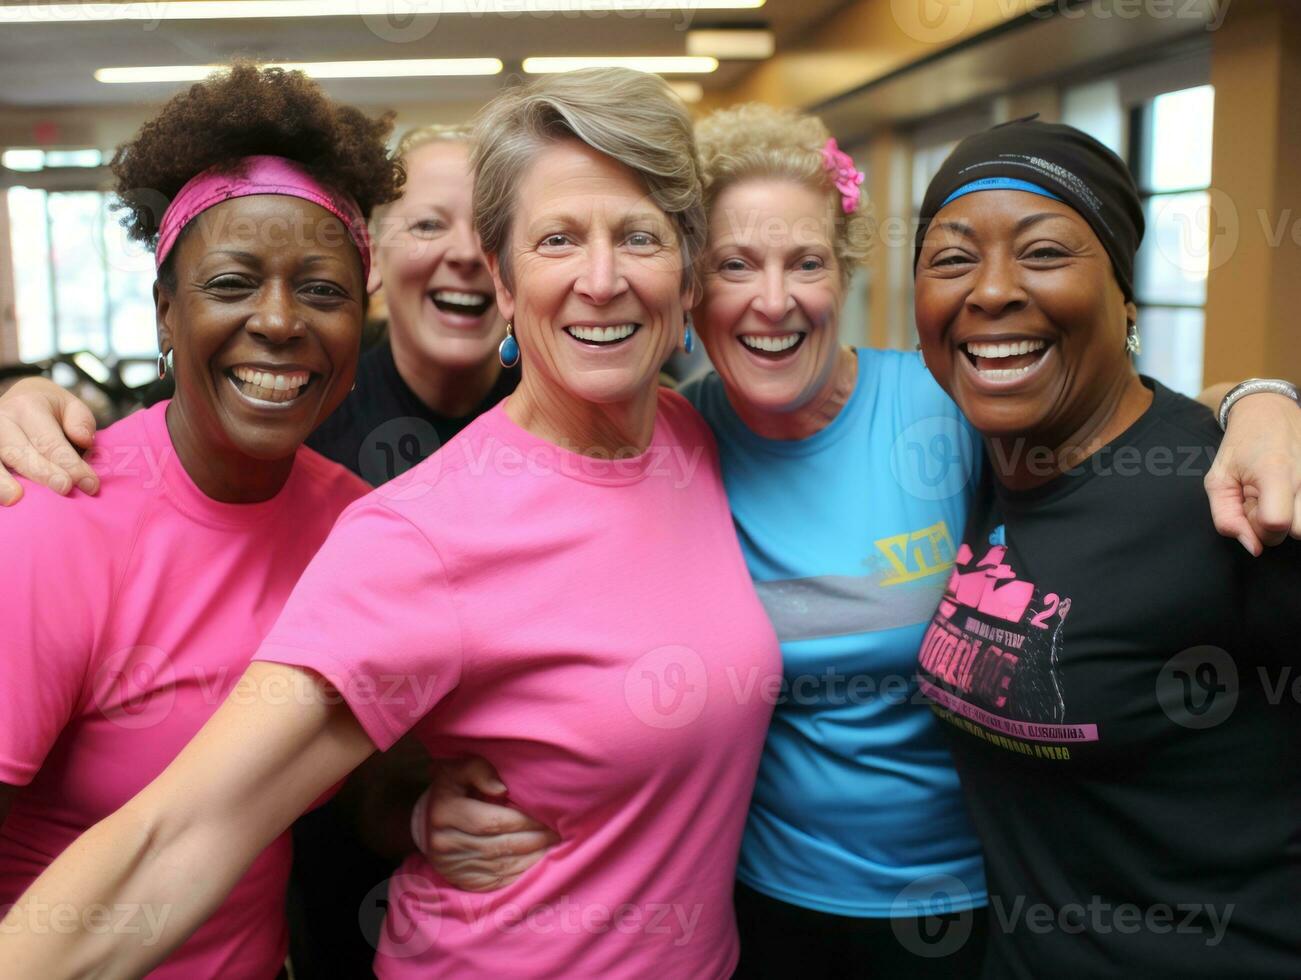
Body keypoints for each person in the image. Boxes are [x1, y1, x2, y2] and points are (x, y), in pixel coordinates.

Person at [401, 104, 1301, 978]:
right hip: (755, 896)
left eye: (806, 262)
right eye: (734, 265)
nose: (773, 301)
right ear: (686, 284)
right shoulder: (671, 441)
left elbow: (1109, 419)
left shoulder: (946, 406)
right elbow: (552, 635)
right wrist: (433, 795)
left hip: (975, 900)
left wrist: (1261, 401)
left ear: (846, 274)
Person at [0, 68, 781, 980]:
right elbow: (185, 829)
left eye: (639, 237)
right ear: (501, 273)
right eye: (558, 239)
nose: (600, 280)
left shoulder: (695, 437)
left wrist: (411, 806)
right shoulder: (415, 534)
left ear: (686, 268)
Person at [0, 63, 397, 978]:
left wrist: (428, 812)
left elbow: (351, 794)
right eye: (231, 282)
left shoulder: (362, 532)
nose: (279, 320)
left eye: (324, 291)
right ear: (165, 314)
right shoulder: (57, 517)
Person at [911, 118, 1300, 976]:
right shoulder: (955, 463)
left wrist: (1271, 403)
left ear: (1125, 296)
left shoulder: (1230, 494)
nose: (991, 291)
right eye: (949, 259)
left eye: (1044, 253)